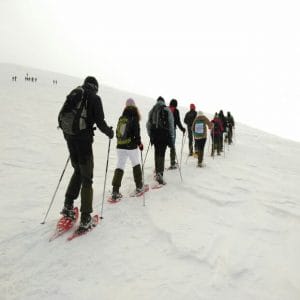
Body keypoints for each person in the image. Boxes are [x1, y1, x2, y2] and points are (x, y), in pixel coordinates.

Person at [60, 76, 114, 233]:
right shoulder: (94, 98)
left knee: (77, 170)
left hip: (69, 136)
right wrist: (110, 133)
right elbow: (100, 121)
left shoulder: (76, 92)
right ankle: (85, 218)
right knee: (87, 177)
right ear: (95, 87)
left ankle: (68, 205)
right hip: (83, 140)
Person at [110, 98, 144, 201]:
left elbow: (118, 133)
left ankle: (115, 190)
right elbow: (136, 133)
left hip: (120, 146)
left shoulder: (122, 117)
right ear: (134, 106)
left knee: (120, 166)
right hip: (130, 146)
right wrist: (139, 144)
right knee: (135, 164)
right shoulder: (134, 116)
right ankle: (139, 187)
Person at [146, 96, 175, 184]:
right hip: (164, 134)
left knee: (156, 152)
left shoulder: (152, 110)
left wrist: (150, 135)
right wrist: (172, 137)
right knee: (162, 153)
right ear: (163, 101)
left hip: (155, 134)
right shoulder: (166, 109)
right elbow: (171, 124)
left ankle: (157, 171)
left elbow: (148, 124)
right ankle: (160, 174)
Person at [168, 99, 186, 169]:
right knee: (172, 146)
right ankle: (172, 163)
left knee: (163, 147)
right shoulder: (176, 111)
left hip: (164, 131)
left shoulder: (166, 109)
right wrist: (182, 129)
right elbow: (178, 121)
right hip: (172, 131)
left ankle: (159, 166)